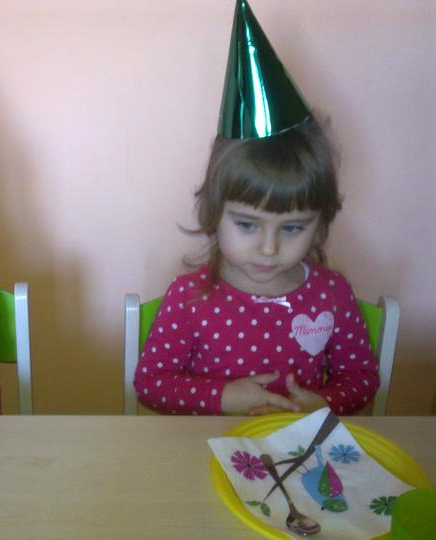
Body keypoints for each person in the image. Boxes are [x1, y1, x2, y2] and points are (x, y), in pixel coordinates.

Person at [133, 0, 378, 416]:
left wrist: (324, 402)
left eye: (292, 228)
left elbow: (361, 379)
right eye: (247, 224)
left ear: (320, 225)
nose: (268, 248)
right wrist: (223, 397)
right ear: (215, 214)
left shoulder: (332, 295)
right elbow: (151, 383)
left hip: (298, 452)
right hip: (204, 449)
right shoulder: (189, 298)